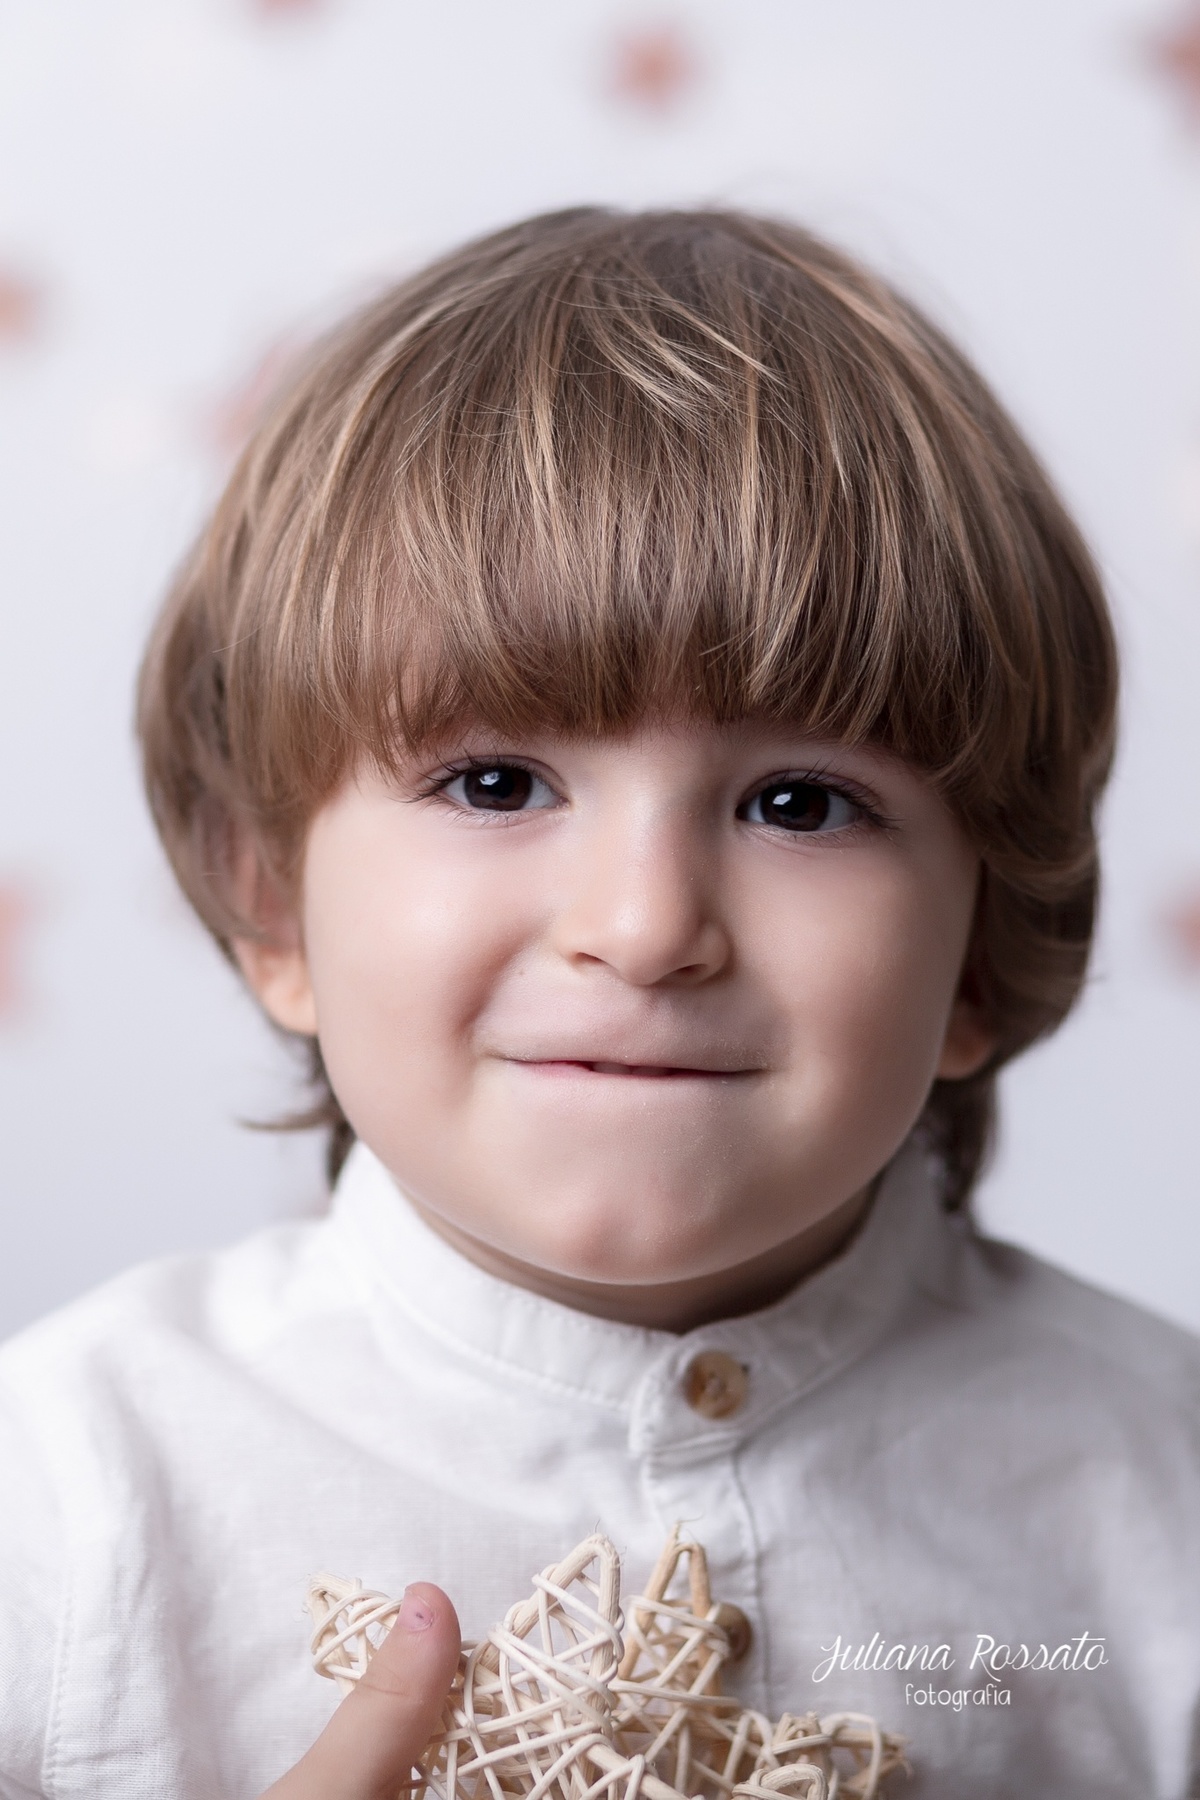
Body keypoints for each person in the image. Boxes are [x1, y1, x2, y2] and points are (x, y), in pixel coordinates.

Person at [1, 206, 1197, 1800]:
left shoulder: (1159, 1491)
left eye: (801, 805)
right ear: (273, 900)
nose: (645, 930)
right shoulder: (66, 1498)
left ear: (983, 948)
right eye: (497, 780)